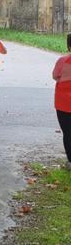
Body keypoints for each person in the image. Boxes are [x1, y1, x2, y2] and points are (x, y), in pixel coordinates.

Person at [53, 34, 71, 170]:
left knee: (67, 132)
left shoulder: (62, 61)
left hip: (63, 102)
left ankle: (70, 161)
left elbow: (55, 76)